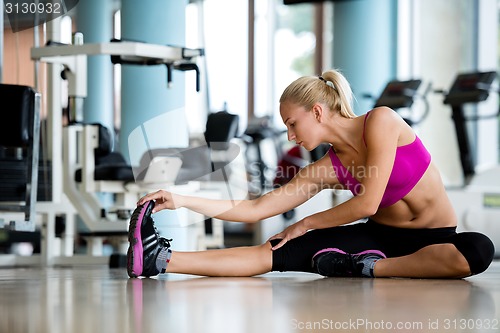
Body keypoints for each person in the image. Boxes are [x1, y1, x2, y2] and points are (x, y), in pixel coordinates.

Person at [127, 69, 495, 279]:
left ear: (317, 112)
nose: (290, 134)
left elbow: (367, 202)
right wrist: (181, 200)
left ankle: (369, 270)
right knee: (274, 250)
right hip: (380, 238)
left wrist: (306, 224)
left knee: (478, 249)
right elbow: (257, 208)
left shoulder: (382, 121)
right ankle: (160, 260)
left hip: (437, 240)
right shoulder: (326, 168)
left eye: (292, 123)